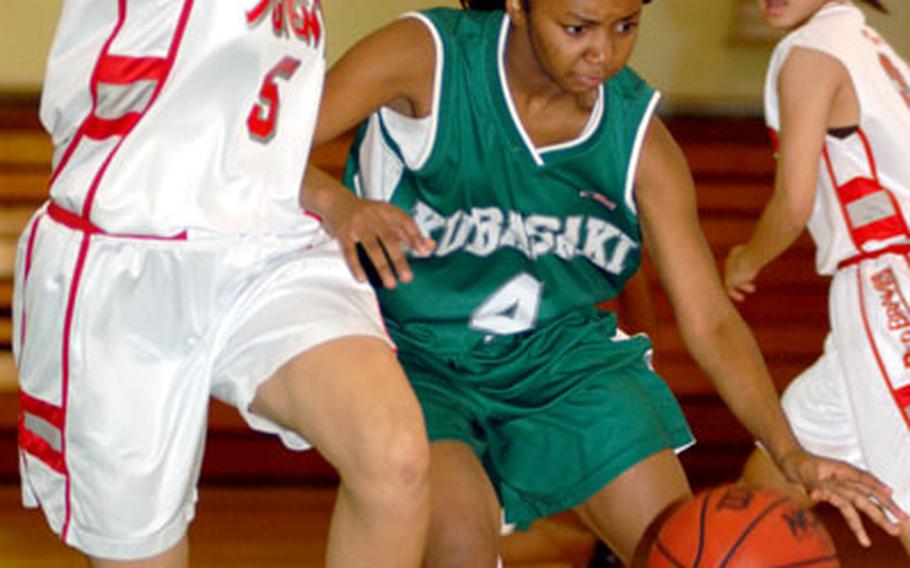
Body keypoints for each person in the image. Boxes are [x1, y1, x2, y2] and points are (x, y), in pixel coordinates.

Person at [303, 0, 906, 565]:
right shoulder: (426, 55)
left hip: (562, 363)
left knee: (684, 548)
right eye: (578, 28)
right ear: (518, 5)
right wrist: (337, 203)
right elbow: (265, 151)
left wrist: (789, 450)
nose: (604, 54)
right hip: (415, 356)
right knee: (460, 545)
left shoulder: (638, 135)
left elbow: (710, 318)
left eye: (626, 26)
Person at [12, 1, 431, 566]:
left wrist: (333, 200)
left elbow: (244, 133)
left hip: (267, 245)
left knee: (393, 454)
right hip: (126, 254)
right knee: (138, 551)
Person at [724, 0, 910, 555]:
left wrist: (746, 260)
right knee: (771, 483)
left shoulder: (812, 54)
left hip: (888, 281)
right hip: (874, 293)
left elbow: (794, 202)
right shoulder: (869, 44)